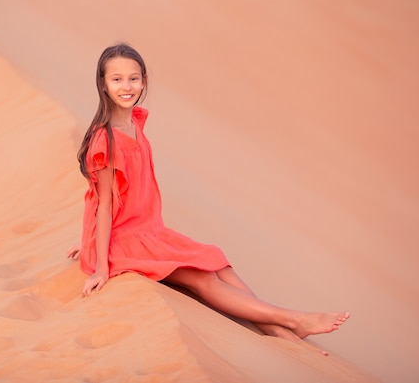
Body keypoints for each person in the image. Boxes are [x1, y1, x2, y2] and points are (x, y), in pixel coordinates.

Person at [67, 43, 349, 354]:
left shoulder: (134, 122)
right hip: (121, 242)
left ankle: (279, 331)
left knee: (216, 261)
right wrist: (99, 263)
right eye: (117, 79)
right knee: (204, 280)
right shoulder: (104, 139)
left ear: (144, 80)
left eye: (133, 78)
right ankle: (294, 320)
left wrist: (87, 238)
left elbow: (103, 199)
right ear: (103, 84)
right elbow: (103, 204)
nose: (126, 86)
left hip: (147, 231)